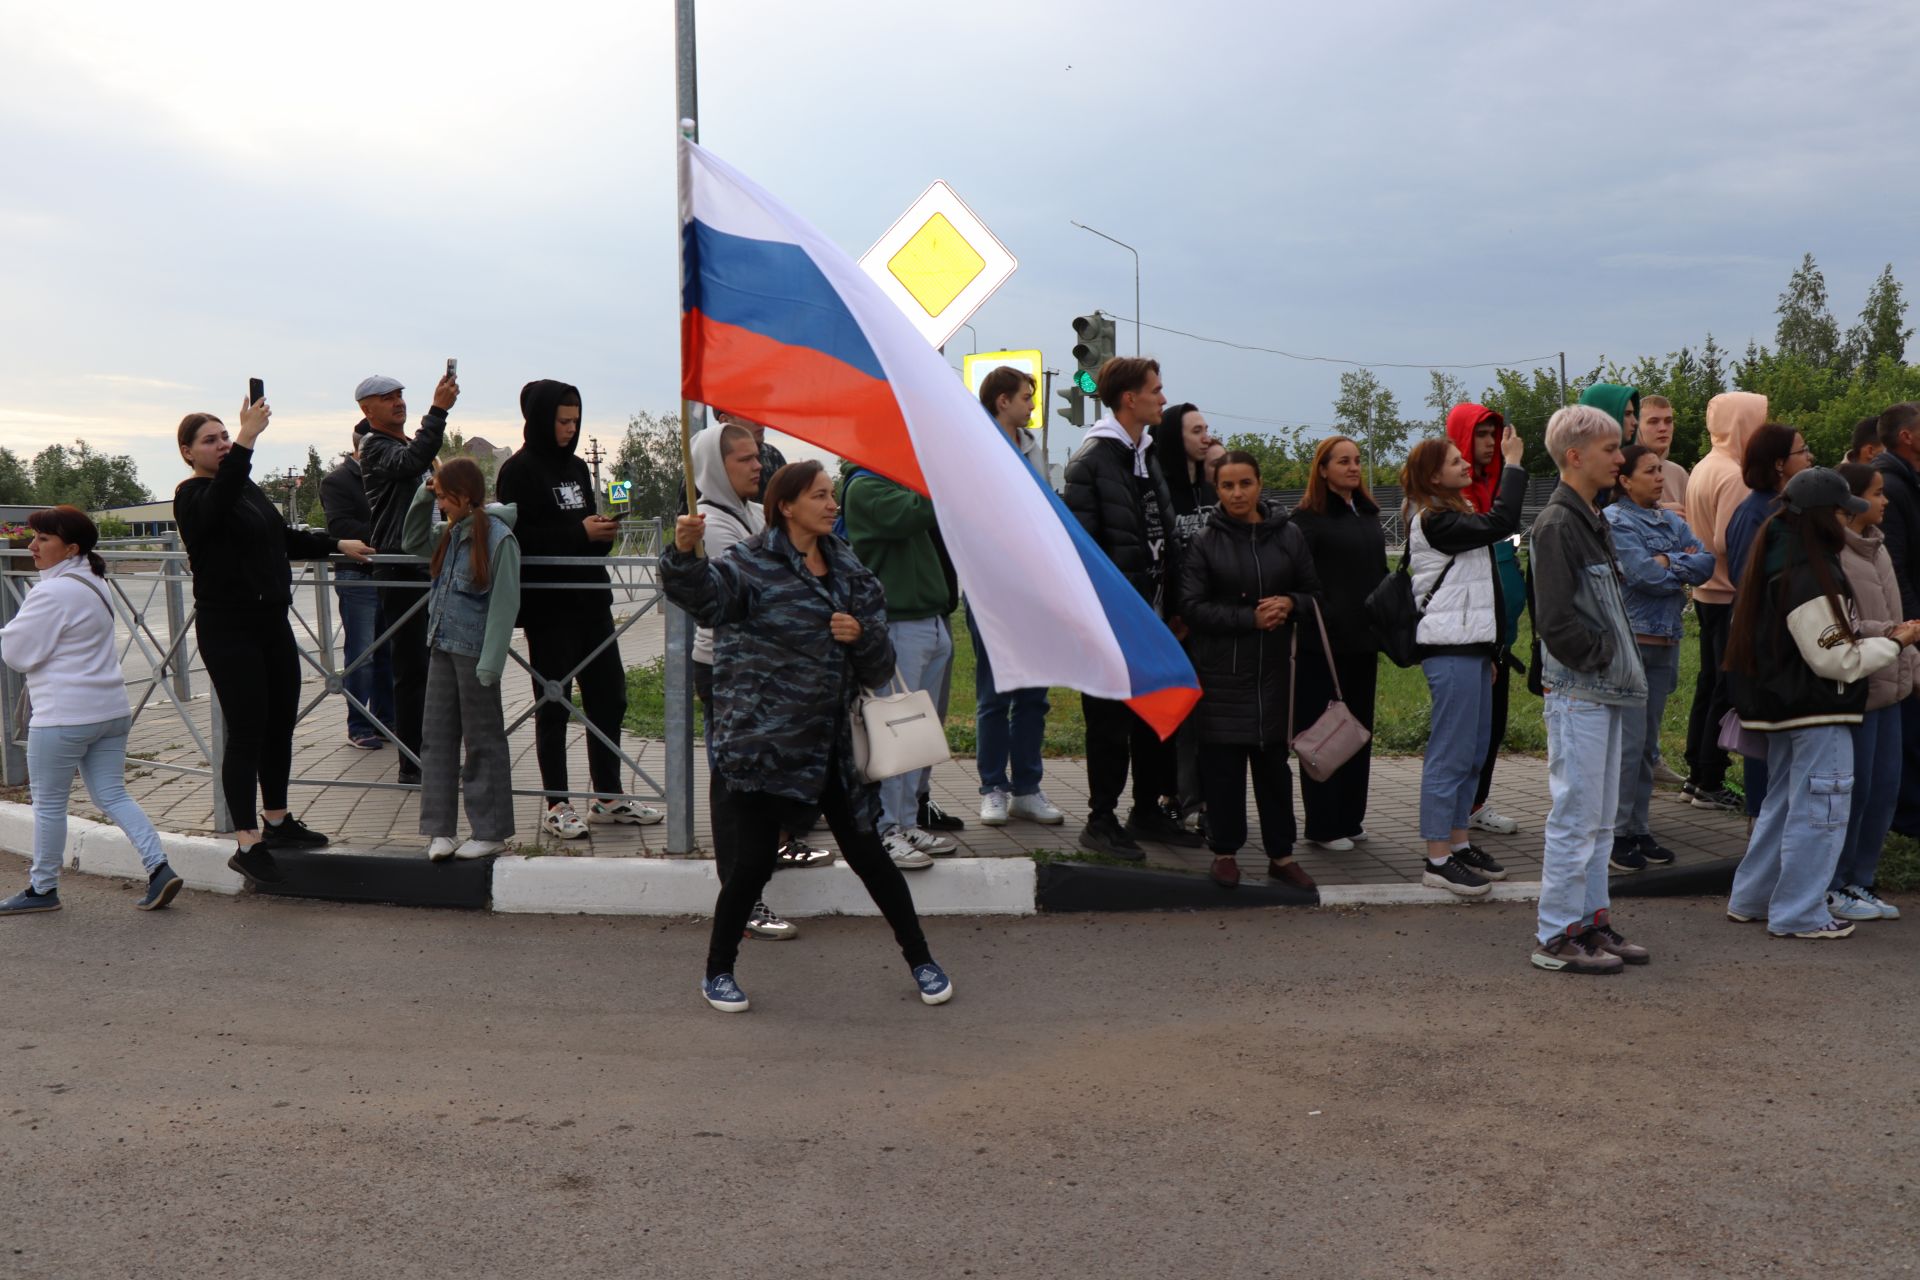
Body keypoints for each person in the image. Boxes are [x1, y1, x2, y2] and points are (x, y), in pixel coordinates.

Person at [662, 462, 953, 1014]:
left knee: (871, 857)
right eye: (820, 496)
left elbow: (877, 666)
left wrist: (860, 635)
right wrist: (683, 553)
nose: (832, 504)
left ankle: (922, 961)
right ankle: (717, 972)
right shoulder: (750, 564)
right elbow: (705, 599)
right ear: (786, 505)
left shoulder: (851, 571)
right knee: (750, 866)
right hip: (767, 746)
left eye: (832, 495)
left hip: (831, 750)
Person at [173, 401, 375, 885]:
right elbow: (216, 507)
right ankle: (247, 841)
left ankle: (278, 822)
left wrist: (335, 544)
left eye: (225, 436)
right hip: (229, 630)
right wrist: (246, 439)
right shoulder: (193, 495)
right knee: (246, 733)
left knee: (279, 724)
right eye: (211, 440)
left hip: (271, 622)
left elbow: (281, 536)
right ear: (187, 453)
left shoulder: (244, 488)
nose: (222, 444)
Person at [1722, 467, 1920, 940]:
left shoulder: (1781, 556)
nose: (1846, 521)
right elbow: (1836, 660)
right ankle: (1800, 912)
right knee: (1821, 813)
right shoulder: (1808, 572)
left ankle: (1752, 899)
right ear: (1819, 517)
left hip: (1790, 707)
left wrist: (1880, 633)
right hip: (1817, 709)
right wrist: (1896, 644)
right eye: (1839, 512)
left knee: (1783, 808)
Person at [493, 380, 658, 841]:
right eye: (562, 420)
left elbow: (579, 528)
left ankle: (608, 795)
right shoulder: (518, 471)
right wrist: (580, 534)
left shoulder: (579, 469)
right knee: (553, 703)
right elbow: (518, 541)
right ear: (541, 419)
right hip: (550, 607)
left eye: (575, 420)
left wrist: (601, 534)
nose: (570, 429)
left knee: (611, 697)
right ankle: (558, 802)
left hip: (592, 600)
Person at [0, 508, 180, 915]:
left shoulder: (52, 591)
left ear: (72, 548)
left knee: (48, 805)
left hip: (64, 716)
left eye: (44, 539)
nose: (32, 546)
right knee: (113, 794)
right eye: (34, 537)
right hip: (111, 711)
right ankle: (159, 868)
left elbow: (17, 653)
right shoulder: (94, 581)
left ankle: (43, 889)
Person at [1529, 405, 1648, 974]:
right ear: (1575, 456)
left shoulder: (1588, 516)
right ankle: (1555, 934)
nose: (1620, 457)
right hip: (1581, 691)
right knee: (1576, 814)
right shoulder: (1556, 524)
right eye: (1609, 449)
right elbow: (1555, 621)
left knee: (1600, 818)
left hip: (1601, 689)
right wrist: (1603, 656)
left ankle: (1591, 922)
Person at [1063, 356, 1196, 858]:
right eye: (1156, 390)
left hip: (1154, 615)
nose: (1163, 398)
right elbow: (1081, 551)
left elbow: (1164, 534)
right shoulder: (1092, 460)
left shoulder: (1145, 454)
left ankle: (1145, 811)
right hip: (1112, 621)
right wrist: (1105, 617)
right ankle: (1100, 819)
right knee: (1109, 724)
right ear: (1128, 399)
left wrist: (1176, 603)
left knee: (1152, 718)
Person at [688, 419, 812, 942]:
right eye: (744, 458)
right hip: (725, 668)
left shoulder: (741, 514)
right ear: (718, 467)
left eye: (758, 456)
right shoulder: (713, 525)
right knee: (733, 782)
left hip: (756, 666)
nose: (758, 465)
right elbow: (757, 591)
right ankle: (739, 893)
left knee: (762, 771)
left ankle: (773, 848)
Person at [1178, 451, 1321, 890]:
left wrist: (1291, 603)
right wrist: (1249, 619)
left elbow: (1315, 594)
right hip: (1223, 676)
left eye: (1245, 484)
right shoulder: (1205, 541)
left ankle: (1281, 856)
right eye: (1227, 486)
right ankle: (1224, 852)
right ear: (1217, 491)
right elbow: (1191, 608)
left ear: (1260, 484)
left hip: (1278, 675)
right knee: (1222, 771)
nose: (1237, 493)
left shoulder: (1289, 535)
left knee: (1274, 773)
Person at [1402, 425, 1527, 897]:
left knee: (1472, 753)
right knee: (1449, 755)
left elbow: (1480, 593)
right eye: (1455, 462)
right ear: (1434, 478)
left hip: (1471, 650)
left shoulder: (1457, 513)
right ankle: (1436, 858)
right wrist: (1512, 466)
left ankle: (1458, 842)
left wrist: (1488, 650)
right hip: (1447, 650)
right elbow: (1505, 521)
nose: (1465, 465)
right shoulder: (1435, 520)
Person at [836, 460, 956, 869]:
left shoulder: (894, 481)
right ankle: (886, 828)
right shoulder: (865, 487)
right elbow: (918, 512)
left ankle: (906, 820)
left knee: (918, 732)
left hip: (928, 620)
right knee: (895, 732)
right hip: (900, 625)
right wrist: (938, 473)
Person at [402, 459, 521, 861]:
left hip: (474, 654)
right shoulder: (449, 533)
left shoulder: (499, 538)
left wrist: (491, 663)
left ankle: (490, 831)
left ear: (465, 495)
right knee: (435, 739)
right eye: (437, 496)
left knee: (483, 741)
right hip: (441, 645)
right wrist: (423, 493)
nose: (440, 504)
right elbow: (411, 540)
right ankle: (440, 831)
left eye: (443, 496)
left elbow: (505, 604)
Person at [1603, 445, 1714, 875]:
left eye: (1660, 470)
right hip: (1632, 642)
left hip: (1666, 642)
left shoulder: (1670, 519)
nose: (1659, 477)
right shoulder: (1615, 521)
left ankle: (1638, 827)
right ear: (1624, 480)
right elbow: (1643, 576)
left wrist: (1668, 561)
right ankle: (1617, 834)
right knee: (1629, 745)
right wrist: (1673, 562)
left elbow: (1705, 562)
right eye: (1649, 471)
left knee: (1647, 744)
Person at [969, 368, 1063, 828]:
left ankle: (1027, 788)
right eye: (1026, 397)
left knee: (1033, 696)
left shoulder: (1032, 446)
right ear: (1002, 400)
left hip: (1034, 587)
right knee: (993, 694)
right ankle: (993, 788)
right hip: (990, 587)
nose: (1031, 405)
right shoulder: (973, 445)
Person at [356, 371, 460, 786]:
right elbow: (410, 464)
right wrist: (438, 411)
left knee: (435, 666)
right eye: (387, 397)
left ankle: (434, 755)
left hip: (426, 563)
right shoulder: (375, 446)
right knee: (412, 668)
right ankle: (413, 765)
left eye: (400, 395)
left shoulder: (403, 445)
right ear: (367, 409)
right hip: (400, 566)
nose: (398, 402)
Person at [1288, 435, 1386, 851]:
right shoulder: (1307, 519)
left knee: (1358, 730)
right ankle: (1324, 823)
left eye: (1357, 460)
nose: (1352, 467)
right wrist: (1324, 611)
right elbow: (1298, 580)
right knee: (1325, 733)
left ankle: (1350, 816)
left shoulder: (1367, 513)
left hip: (1363, 642)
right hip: (1323, 645)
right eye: (1342, 461)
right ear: (1322, 469)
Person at [1829, 463, 1914, 921]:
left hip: (1892, 688)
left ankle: (1861, 879)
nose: (1885, 502)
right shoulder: (1837, 554)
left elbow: (1898, 617)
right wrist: (1893, 634)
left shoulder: (1877, 548)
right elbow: (1849, 625)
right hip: (1862, 690)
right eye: (1878, 494)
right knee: (1854, 792)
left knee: (1884, 788)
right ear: (1852, 503)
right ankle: (1836, 882)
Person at [1722, 423, 1815, 822]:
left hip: (1785, 648)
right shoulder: (1755, 514)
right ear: (1779, 464)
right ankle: (1759, 829)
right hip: (1765, 652)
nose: (1810, 457)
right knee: (1764, 743)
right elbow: (1750, 588)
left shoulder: (1783, 508)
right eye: (1802, 450)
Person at [1680, 391, 1766, 812]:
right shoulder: (1733, 474)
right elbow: (1724, 540)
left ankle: (1698, 771)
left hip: (1706, 590)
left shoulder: (1705, 465)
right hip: (1726, 591)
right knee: (1723, 688)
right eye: (1758, 419)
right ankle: (1709, 776)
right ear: (1740, 423)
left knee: (1709, 683)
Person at [1444, 403, 1525, 837]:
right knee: (1468, 733)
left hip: (1500, 633)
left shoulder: (1492, 486)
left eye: (1494, 434)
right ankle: (1454, 818)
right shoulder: (1456, 499)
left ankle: (1476, 803)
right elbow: (1497, 528)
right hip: (1468, 634)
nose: (1491, 443)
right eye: (1481, 435)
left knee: (1492, 728)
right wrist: (1514, 467)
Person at [1151, 400, 1217, 832]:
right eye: (1196, 431)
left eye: (1207, 429)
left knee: (1208, 720)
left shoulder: (1211, 489)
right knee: (1175, 717)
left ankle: (1204, 800)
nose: (1206, 437)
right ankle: (1169, 796)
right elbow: (1163, 558)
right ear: (1176, 438)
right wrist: (1176, 613)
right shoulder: (1163, 492)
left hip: (1212, 621)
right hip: (1174, 625)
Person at [320, 425, 393, 749]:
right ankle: (359, 726)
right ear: (363, 448)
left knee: (388, 653)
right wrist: (389, 532)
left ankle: (387, 722)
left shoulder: (388, 475)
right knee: (362, 655)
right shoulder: (336, 481)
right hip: (357, 575)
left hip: (390, 574)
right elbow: (340, 527)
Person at [1869, 402, 1920, 834]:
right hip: (1905, 627)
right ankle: (1907, 820)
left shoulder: (1907, 481)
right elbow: (1896, 564)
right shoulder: (1897, 486)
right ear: (1907, 436)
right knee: (1908, 725)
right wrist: (1913, 627)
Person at [1636, 394, 1691, 520]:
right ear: (1637, 427)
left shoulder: (1678, 473)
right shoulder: (1621, 469)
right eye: (1653, 422)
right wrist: (1657, 509)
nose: (1663, 428)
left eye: (1668, 421)